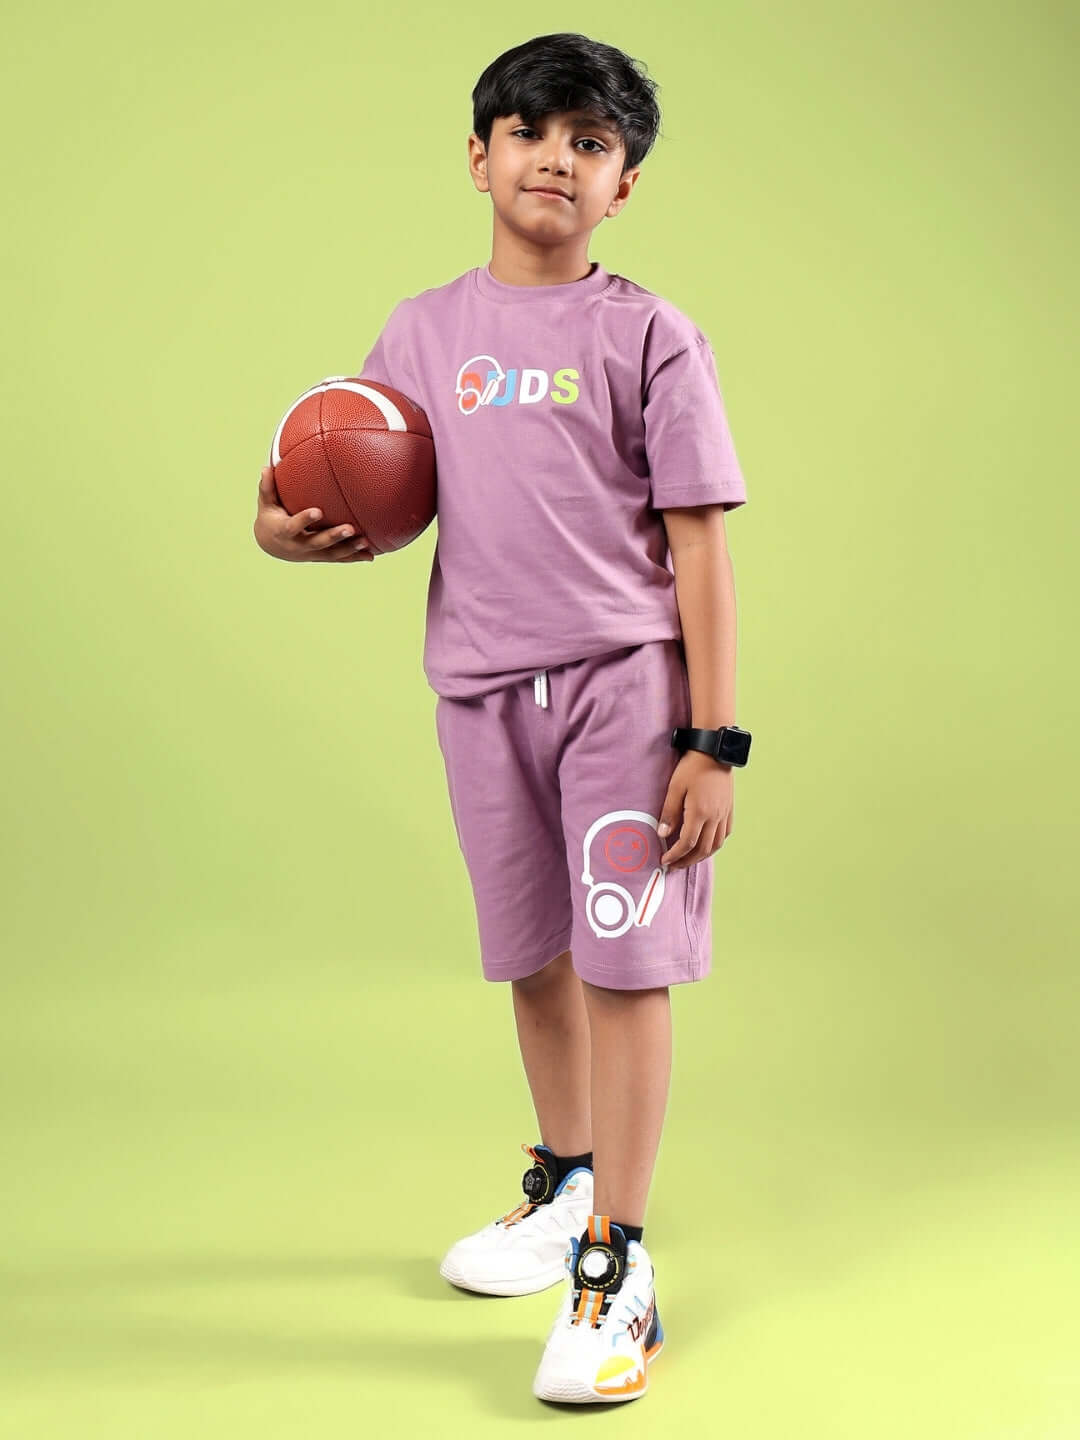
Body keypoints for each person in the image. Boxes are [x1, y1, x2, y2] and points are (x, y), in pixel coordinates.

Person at [254, 30, 750, 1408]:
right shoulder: (423, 330)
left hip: (622, 697)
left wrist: (713, 739)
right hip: (480, 691)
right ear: (480, 155)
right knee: (532, 957)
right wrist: (282, 529)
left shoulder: (651, 335)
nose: (559, 157)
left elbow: (700, 548)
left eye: (593, 143)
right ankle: (565, 1179)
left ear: (624, 187)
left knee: (621, 964)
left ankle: (620, 1261)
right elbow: (324, 462)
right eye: (535, 130)